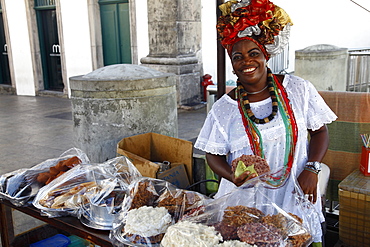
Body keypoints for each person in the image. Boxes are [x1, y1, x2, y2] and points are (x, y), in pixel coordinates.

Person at [194, 0, 337, 245]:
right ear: (232, 64)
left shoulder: (298, 90)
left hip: (294, 193)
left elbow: (320, 130)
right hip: (245, 202)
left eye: (253, 54)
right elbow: (212, 156)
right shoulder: (223, 109)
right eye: (237, 57)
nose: (246, 62)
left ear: (265, 55)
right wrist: (232, 175)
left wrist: (312, 169)